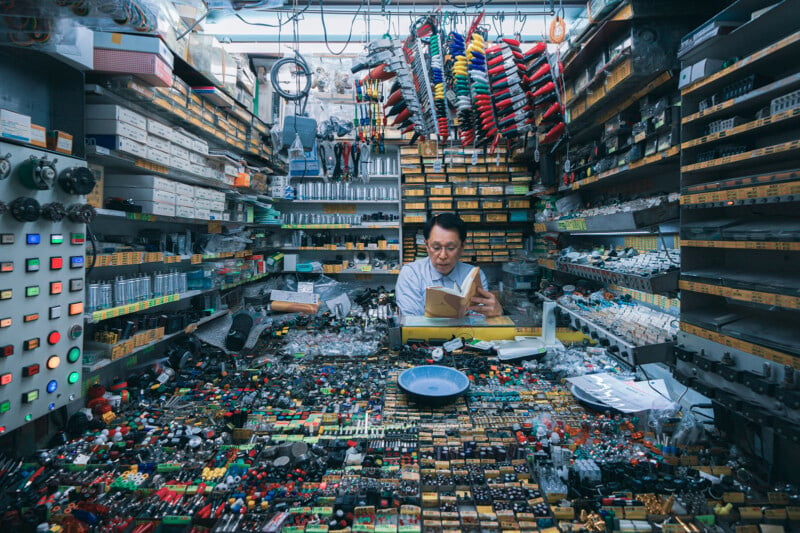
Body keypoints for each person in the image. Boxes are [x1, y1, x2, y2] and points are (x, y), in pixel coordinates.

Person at [395, 213, 503, 317]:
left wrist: (496, 313)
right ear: (426, 245)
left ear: (462, 246)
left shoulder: (474, 275)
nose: (443, 256)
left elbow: (479, 321)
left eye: (451, 248)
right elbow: (411, 323)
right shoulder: (411, 274)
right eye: (436, 248)